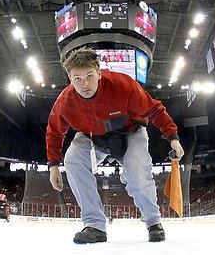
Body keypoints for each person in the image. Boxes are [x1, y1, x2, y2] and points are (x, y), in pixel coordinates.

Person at [46, 47, 184, 244]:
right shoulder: (65, 101)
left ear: (99, 73)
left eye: (89, 76)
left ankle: (153, 222)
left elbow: (154, 109)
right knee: (73, 159)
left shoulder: (122, 85)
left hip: (131, 132)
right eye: (77, 78)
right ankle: (94, 225)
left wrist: (173, 137)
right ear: (70, 78)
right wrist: (53, 166)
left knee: (136, 173)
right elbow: (54, 131)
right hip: (92, 138)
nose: (84, 84)